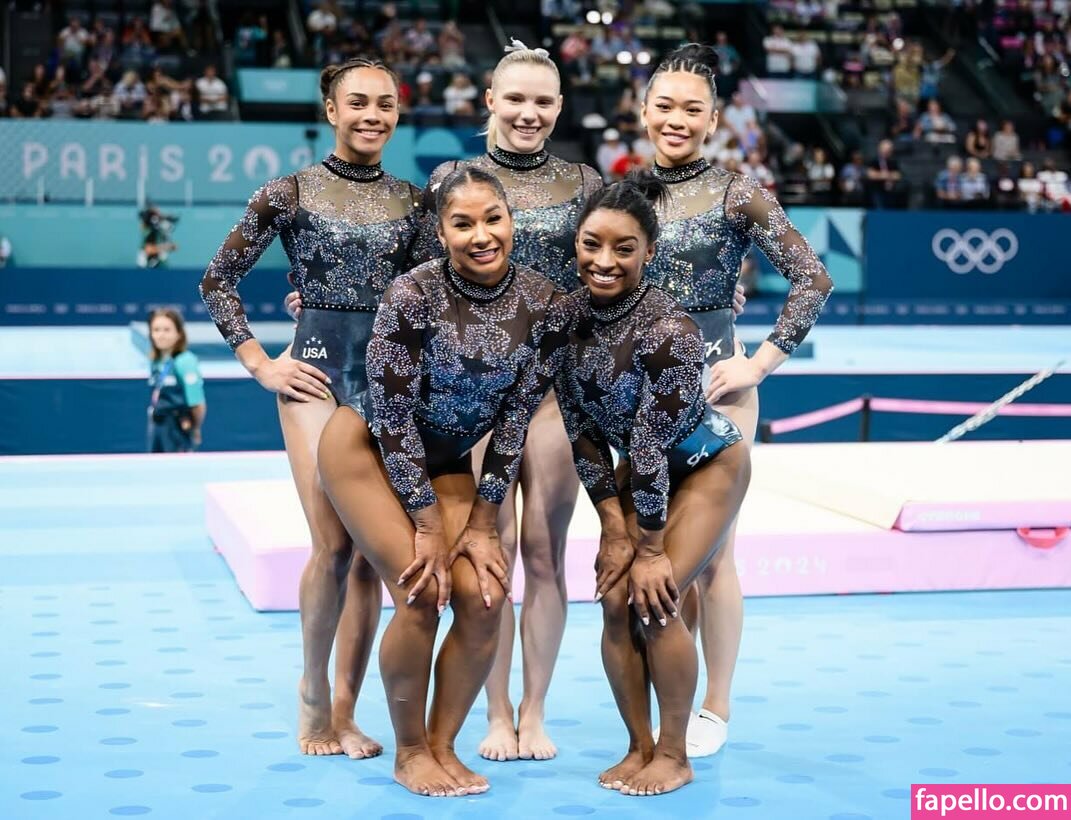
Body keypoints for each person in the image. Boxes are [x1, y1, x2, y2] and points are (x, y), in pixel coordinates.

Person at [316, 167, 569, 796]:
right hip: (367, 448)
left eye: (493, 219)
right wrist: (428, 524)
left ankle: (442, 745)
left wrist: (483, 523)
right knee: (422, 590)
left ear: (512, 220)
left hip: (450, 460)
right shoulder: (412, 293)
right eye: (463, 224)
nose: (481, 235)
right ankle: (409, 752)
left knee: (485, 596)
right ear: (440, 232)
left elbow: (514, 421)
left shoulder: (545, 303)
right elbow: (392, 414)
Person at [199, 56, 424, 759]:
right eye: (357, 102)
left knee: (369, 558)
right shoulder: (289, 192)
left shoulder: (415, 202)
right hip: (316, 379)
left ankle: (348, 710)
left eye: (384, 104)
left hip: (388, 383)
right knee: (332, 545)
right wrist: (259, 362)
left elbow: (431, 290)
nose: (371, 115)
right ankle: (313, 695)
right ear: (331, 109)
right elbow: (217, 279)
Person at [638, 43, 833, 757]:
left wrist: (760, 362)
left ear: (713, 120)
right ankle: (671, 694)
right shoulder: (624, 196)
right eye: (664, 106)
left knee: (715, 558)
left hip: (717, 393)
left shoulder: (736, 193)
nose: (676, 120)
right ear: (643, 111)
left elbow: (813, 278)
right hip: (638, 399)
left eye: (691, 110)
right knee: (660, 553)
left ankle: (714, 705)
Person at [556, 173, 751, 795]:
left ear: (649, 251)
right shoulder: (564, 320)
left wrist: (646, 548)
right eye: (591, 244)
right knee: (613, 602)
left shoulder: (671, 330)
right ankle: (639, 746)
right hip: (642, 472)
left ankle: (674, 753)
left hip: (706, 464)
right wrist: (612, 529)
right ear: (575, 241)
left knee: (654, 598)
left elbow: (647, 445)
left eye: (624, 248)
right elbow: (583, 434)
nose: (604, 261)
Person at [147, 309, 206, 453]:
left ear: (179, 333)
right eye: (156, 330)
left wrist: (195, 428)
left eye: (167, 330)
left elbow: (197, 404)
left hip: (177, 429)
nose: (161, 335)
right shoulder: (155, 361)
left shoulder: (185, 361)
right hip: (157, 425)